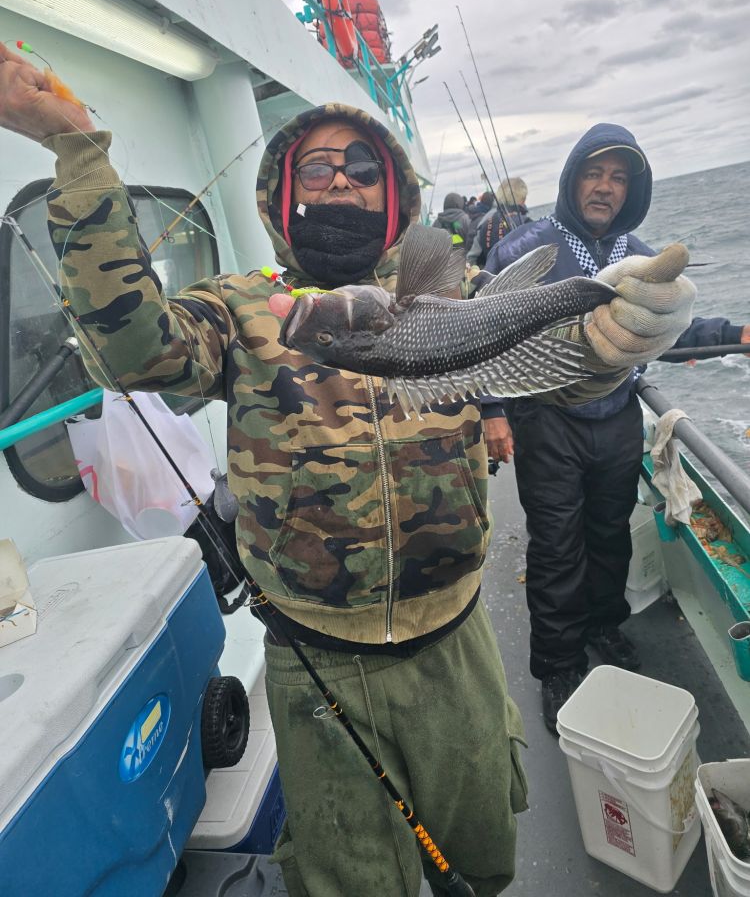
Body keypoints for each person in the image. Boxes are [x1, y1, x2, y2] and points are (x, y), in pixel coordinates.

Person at [0, 46, 696, 895]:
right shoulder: (245, 307)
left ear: (393, 192)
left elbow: (553, 357)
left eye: (361, 167)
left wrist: (619, 336)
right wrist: (78, 154)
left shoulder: (455, 290)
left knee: (480, 851)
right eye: (316, 167)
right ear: (286, 194)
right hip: (317, 659)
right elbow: (136, 351)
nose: (338, 183)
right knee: (352, 877)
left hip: (457, 644)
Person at [482, 123, 750, 734]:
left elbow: (670, 326)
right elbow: (488, 330)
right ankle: (557, 664)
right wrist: (493, 409)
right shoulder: (529, 247)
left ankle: (605, 625)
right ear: (572, 178)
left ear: (631, 189)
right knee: (556, 545)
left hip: (618, 418)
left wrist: (735, 335)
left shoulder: (641, 252)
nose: (605, 187)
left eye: (618, 177)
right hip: (546, 419)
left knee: (610, 535)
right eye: (594, 173)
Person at [467, 177, 531, 268]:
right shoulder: (527, 223)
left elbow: (472, 259)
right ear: (522, 199)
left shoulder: (484, 223)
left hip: (492, 280)